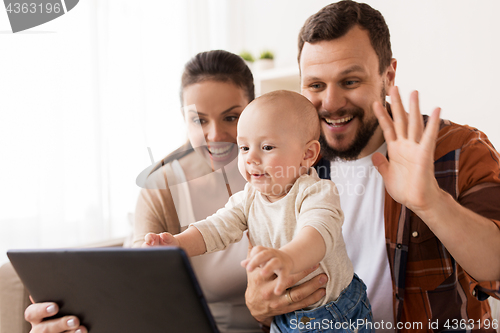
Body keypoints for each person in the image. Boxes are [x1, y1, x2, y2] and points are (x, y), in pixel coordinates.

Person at [23, 51, 327, 333]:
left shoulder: (291, 172)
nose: (215, 136)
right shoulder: (162, 187)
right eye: (199, 120)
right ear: (185, 120)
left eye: (231, 117)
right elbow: (138, 292)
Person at [244, 1, 500, 332]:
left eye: (350, 81)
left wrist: (431, 203)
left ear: (388, 74)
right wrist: (258, 304)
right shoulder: (284, 164)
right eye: (316, 85)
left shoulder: (459, 149)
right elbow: (265, 295)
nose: (332, 103)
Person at [144, 90, 373, 332]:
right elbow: (215, 229)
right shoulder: (248, 198)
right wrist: (177, 244)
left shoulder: (317, 192)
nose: (251, 157)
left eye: (266, 146)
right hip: (284, 314)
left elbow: (317, 235)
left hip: (336, 314)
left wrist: (288, 259)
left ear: (307, 154)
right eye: (244, 148)